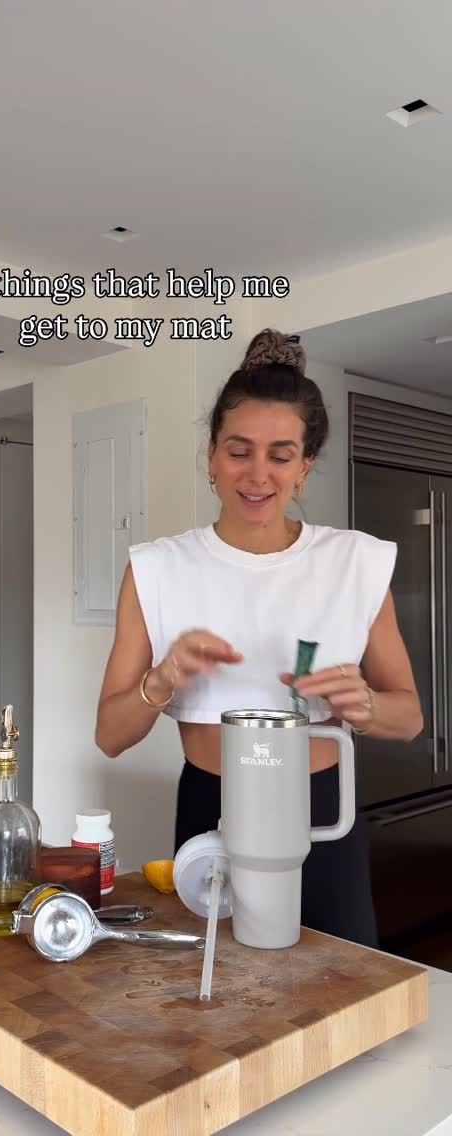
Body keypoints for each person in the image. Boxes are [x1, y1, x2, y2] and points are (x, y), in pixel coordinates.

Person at [95, 328, 423, 948]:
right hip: (209, 807)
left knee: (338, 980)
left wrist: (366, 705)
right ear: (212, 457)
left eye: (281, 455)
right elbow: (110, 736)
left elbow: (408, 718)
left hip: (322, 809)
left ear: (304, 467)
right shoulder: (157, 569)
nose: (257, 474)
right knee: (216, 985)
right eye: (239, 451)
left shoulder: (354, 563)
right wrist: (162, 680)